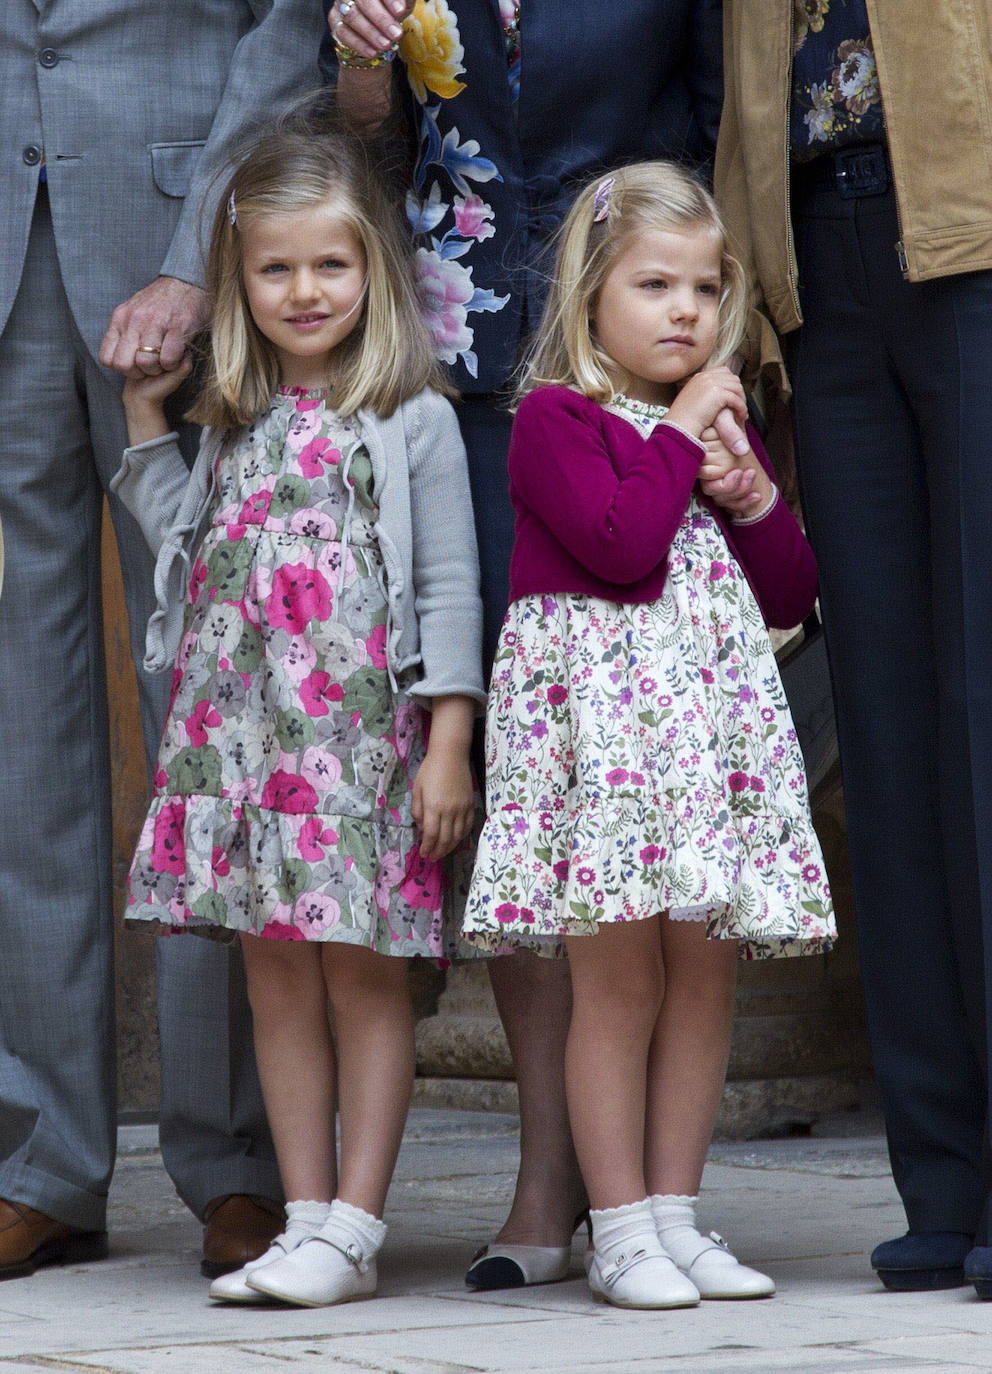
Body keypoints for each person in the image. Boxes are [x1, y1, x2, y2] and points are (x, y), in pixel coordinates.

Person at [322, 0, 746, 1290]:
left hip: (636, 374)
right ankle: (550, 1170)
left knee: (634, 773)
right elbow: (366, 143)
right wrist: (357, 58)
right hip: (456, 374)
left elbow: (726, 134)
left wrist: (718, 354)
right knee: (522, 772)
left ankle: (645, 1194)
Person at [111, 103, 484, 1308]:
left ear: (373, 268)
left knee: (362, 976)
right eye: (276, 268)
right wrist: (141, 420)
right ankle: (306, 1217)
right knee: (275, 974)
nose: (306, 289)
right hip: (244, 752)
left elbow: (446, 587)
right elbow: (181, 548)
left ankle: (358, 1224)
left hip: (357, 757)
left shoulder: (407, 420)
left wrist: (447, 745)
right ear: (239, 280)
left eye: (330, 264)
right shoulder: (231, 417)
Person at [461, 161, 835, 1310]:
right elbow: (619, 549)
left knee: (702, 980)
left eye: (706, 289)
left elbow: (787, 595)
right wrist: (680, 441)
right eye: (654, 285)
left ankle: (672, 1215)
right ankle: (614, 1224)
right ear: (587, 298)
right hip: (608, 754)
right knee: (614, 988)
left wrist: (754, 499)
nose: (686, 311)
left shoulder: (714, 427)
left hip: (701, 749)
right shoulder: (552, 422)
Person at [0, 0, 329, 1282]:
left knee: (217, 720)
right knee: (24, 730)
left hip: (177, 248)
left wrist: (204, 255)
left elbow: (286, 25)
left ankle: (239, 1158)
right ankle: (42, 1158)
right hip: (10, 267)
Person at [716, 1, 992, 1300]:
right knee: (884, 734)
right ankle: (942, 1179)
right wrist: (731, 329)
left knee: (982, 710)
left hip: (977, 236)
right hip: (817, 261)